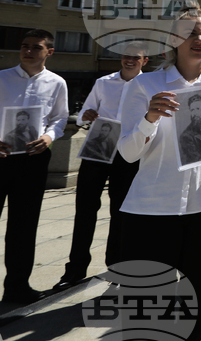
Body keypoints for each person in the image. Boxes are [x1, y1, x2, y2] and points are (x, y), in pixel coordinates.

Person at [117, 8, 201, 340]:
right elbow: (128, 152)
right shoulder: (145, 85)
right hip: (154, 208)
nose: (198, 39)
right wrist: (150, 118)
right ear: (174, 39)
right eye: (190, 32)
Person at [54, 44, 146, 293]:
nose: (129, 61)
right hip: (99, 145)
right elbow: (83, 114)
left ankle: (116, 268)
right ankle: (75, 269)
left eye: (135, 58)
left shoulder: (147, 85)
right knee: (85, 207)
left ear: (144, 61)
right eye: (126, 56)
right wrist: (88, 114)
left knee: (121, 211)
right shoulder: (104, 82)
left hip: (127, 150)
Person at [0, 29, 69, 303]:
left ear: (49, 52)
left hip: (33, 159)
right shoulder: (2, 78)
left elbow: (60, 118)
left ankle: (17, 287)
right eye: (24, 46)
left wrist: (49, 137)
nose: (28, 51)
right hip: (1, 156)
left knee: (23, 226)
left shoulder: (57, 83)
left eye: (36, 47)